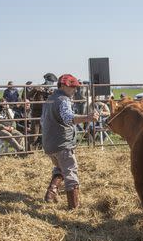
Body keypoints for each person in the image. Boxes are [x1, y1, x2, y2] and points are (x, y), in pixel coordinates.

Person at [41, 73, 99, 209]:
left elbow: (42, 120)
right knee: (70, 172)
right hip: (62, 143)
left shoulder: (50, 99)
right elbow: (68, 118)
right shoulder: (63, 99)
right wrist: (88, 117)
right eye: (72, 87)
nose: (75, 90)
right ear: (64, 86)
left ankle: (51, 194)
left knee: (60, 168)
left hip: (49, 143)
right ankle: (74, 207)